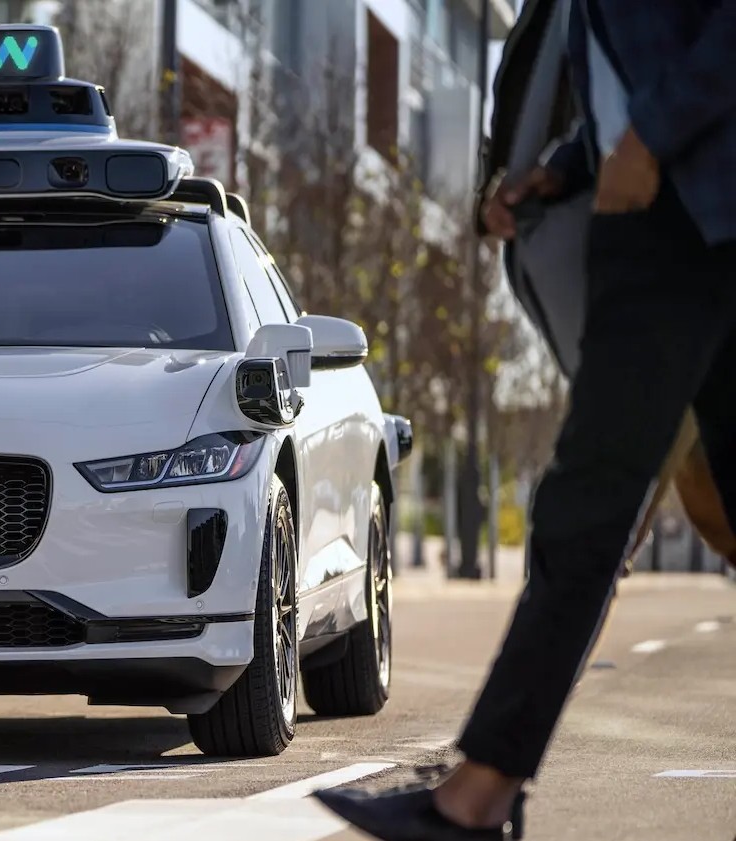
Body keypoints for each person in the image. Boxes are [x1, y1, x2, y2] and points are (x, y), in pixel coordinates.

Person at [314, 0, 736, 838]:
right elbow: (637, 72)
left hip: (680, 218)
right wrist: (563, 167)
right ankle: (480, 794)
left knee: (588, 505)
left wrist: (646, 141)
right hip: (671, 206)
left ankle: (475, 798)